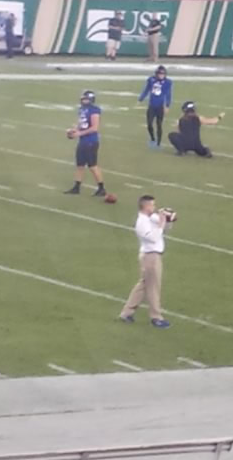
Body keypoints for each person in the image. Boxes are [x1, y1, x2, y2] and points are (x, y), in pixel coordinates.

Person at [118, 194, 175, 328]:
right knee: (153, 287)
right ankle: (156, 317)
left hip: (153, 256)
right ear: (146, 206)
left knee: (143, 285)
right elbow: (153, 238)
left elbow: (167, 228)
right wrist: (161, 224)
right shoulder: (141, 222)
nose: (154, 207)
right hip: (150, 257)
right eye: (152, 205)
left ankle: (126, 313)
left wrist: (168, 219)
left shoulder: (151, 217)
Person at [64, 89, 110, 200]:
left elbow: (94, 128)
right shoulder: (82, 109)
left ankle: (101, 188)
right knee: (80, 165)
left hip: (91, 141)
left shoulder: (94, 110)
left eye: (85, 98)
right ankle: (76, 187)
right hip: (83, 141)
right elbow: (80, 124)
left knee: (92, 165)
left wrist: (80, 133)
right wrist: (73, 131)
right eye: (83, 98)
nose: (83, 100)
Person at [139, 66, 172, 150]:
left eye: (163, 74)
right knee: (149, 124)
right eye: (160, 74)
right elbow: (146, 90)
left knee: (159, 125)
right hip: (152, 106)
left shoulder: (167, 82)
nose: (161, 75)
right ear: (156, 74)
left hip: (160, 107)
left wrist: (167, 105)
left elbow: (168, 95)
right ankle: (153, 138)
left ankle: (158, 143)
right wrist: (141, 98)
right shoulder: (151, 80)